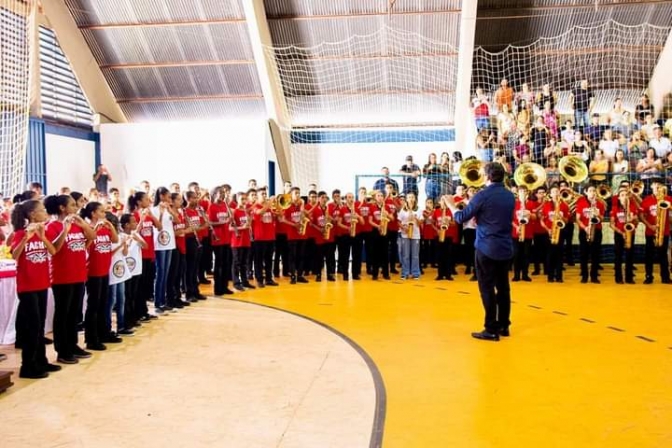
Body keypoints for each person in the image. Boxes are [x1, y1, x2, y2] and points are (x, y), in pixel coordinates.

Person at [443, 162, 515, 342]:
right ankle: (504, 324)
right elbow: (496, 217)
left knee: (487, 288)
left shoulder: (482, 195)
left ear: (488, 176)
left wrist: (451, 204)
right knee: (503, 288)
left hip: (486, 247)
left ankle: (491, 328)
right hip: (505, 246)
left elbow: (460, 217)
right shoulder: (509, 195)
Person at [11, 200, 58, 378]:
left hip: (42, 284)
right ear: (32, 215)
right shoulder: (20, 233)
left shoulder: (41, 232)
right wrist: (25, 238)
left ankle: (41, 361)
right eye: (42, 210)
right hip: (27, 286)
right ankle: (27, 366)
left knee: (39, 326)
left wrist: (43, 236)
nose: (45, 212)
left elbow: (53, 252)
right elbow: (15, 255)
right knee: (33, 326)